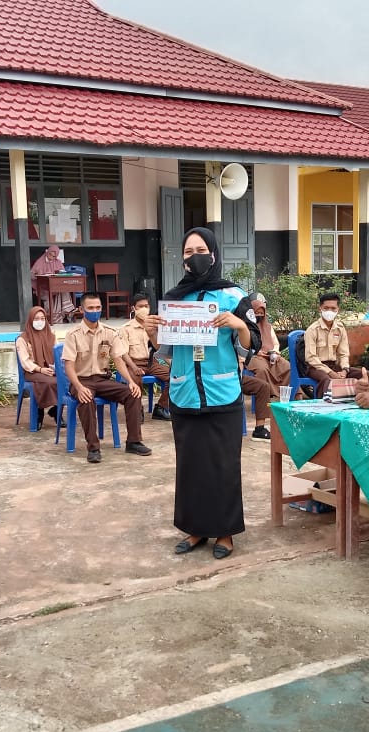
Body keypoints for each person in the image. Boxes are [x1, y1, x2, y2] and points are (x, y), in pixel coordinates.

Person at [162, 227, 260, 559]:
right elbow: (163, 351)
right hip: (184, 394)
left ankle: (225, 533)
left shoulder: (233, 296)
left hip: (222, 394)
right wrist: (152, 332)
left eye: (200, 249)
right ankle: (194, 530)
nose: (194, 257)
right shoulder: (174, 298)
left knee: (223, 466)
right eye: (188, 252)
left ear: (214, 254)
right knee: (190, 467)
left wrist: (240, 325)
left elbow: (253, 345)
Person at [62, 291, 152, 463]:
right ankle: (93, 448)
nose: (95, 311)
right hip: (81, 381)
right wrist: (79, 387)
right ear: (82, 309)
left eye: (98, 307)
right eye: (90, 308)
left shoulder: (109, 332)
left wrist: (131, 382)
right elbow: (68, 366)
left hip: (102, 380)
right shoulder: (73, 334)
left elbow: (118, 359)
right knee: (86, 399)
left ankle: (133, 441)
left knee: (132, 393)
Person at [117, 293, 172, 422]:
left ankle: (161, 408)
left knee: (173, 377)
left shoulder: (154, 326)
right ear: (133, 308)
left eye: (146, 306)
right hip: (133, 362)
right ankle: (137, 411)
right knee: (134, 381)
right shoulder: (126, 329)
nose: (144, 309)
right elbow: (123, 353)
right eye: (140, 306)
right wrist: (134, 367)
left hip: (151, 362)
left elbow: (159, 348)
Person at [303, 292, 363, 398]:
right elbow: (311, 358)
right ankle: (322, 406)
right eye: (326, 308)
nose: (329, 311)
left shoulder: (340, 328)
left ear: (338, 310)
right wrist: (331, 373)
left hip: (335, 366)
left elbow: (343, 353)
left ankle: (362, 401)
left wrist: (345, 370)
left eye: (333, 308)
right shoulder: (312, 330)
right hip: (316, 368)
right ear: (320, 309)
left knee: (364, 374)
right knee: (325, 379)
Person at [17, 305, 62, 428]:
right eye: (36, 319)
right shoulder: (22, 339)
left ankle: (55, 410)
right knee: (49, 382)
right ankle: (41, 411)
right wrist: (40, 369)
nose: (40, 322)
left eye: (43, 318)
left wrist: (55, 368)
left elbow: (57, 354)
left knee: (66, 381)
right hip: (32, 372)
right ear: (31, 320)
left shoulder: (51, 335)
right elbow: (25, 362)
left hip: (49, 369)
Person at [247, 292, 290, 396]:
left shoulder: (268, 326)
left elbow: (275, 343)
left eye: (262, 313)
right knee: (262, 369)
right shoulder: (246, 326)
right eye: (257, 313)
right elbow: (244, 346)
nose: (259, 316)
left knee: (287, 366)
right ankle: (265, 395)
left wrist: (274, 352)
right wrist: (256, 352)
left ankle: (287, 396)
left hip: (270, 356)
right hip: (253, 357)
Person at [30, 244, 75, 323]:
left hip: (56, 287)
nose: (52, 257)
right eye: (50, 254)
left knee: (65, 291)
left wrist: (59, 273)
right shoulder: (40, 261)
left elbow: (63, 273)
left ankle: (67, 313)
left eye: (54, 256)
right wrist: (39, 274)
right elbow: (32, 275)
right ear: (48, 252)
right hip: (43, 288)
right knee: (48, 297)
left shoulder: (58, 262)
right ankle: (52, 318)